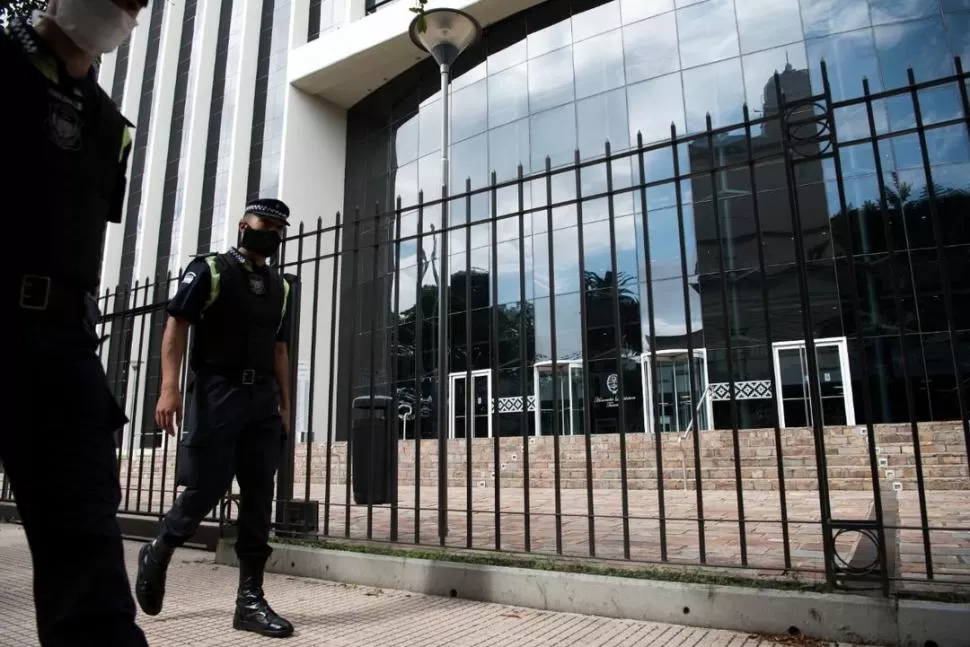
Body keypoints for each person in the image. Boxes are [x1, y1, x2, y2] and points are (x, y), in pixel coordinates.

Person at [3, 1, 150, 645]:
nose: (125, 9)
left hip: (62, 343)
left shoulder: (108, 120)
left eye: (138, 2)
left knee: (89, 557)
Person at [136, 198, 296, 639]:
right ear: (244, 225)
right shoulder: (209, 270)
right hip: (216, 392)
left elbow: (280, 349)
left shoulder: (280, 286)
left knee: (260, 495)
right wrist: (169, 388)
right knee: (205, 487)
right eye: (266, 224)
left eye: (279, 229)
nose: (273, 234)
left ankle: (250, 599)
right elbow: (176, 324)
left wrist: (285, 406)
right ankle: (160, 547)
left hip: (261, 399)